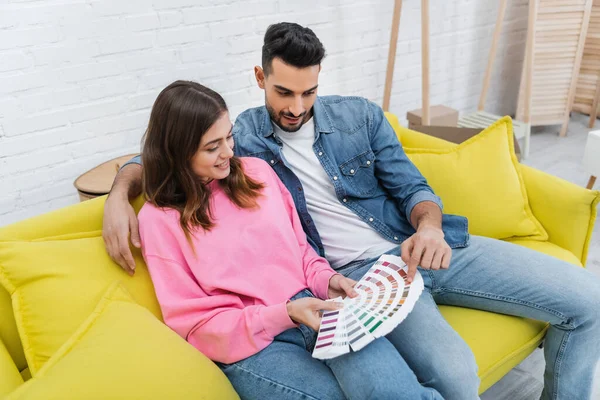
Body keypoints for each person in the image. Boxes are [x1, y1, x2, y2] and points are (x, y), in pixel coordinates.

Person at [104, 22, 600, 400]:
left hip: (416, 246)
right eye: (283, 92)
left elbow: (412, 187)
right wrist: (120, 192)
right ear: (260, 78)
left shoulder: (354, 117)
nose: (297, 106)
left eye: (309, 91)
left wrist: (428, 227)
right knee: (453, 373)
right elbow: (168, 154)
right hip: (357, 277)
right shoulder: (248, 143)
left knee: (588, 302)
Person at [136, 80, 442, 400]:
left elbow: (300, 250)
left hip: (314, 305)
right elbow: (196, 326)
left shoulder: (257, 174)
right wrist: (285, 313)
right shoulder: (159, 220)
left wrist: (329, 280)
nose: (229, 152)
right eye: (212, 147)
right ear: (177, 152)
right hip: (251, 343)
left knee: (397, 393)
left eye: (229, 137)